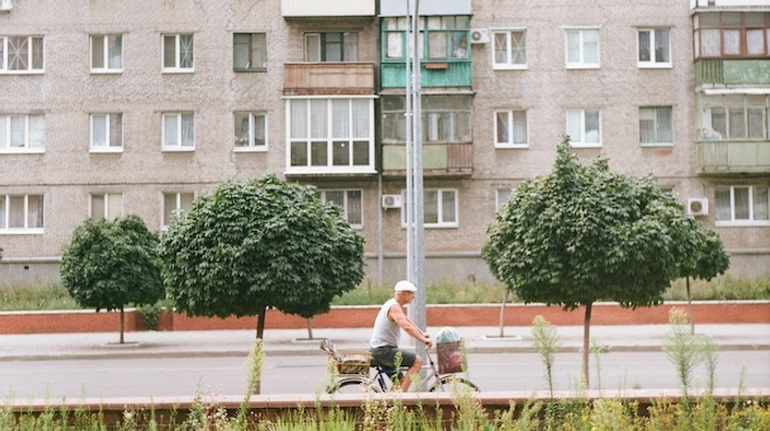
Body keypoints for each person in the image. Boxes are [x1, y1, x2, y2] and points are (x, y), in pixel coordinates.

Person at [369, 280, 433, 392]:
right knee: (418, 361)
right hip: (383, 351)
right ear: (403, 294)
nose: (413, 296)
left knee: (401, 381)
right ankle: (402, 401)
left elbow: (408, 321)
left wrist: (422, 334)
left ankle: (390, 405)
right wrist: (423, 340)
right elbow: (406, 327)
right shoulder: (393, 307)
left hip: (383, 350)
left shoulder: (394, 305)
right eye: (411, 293)